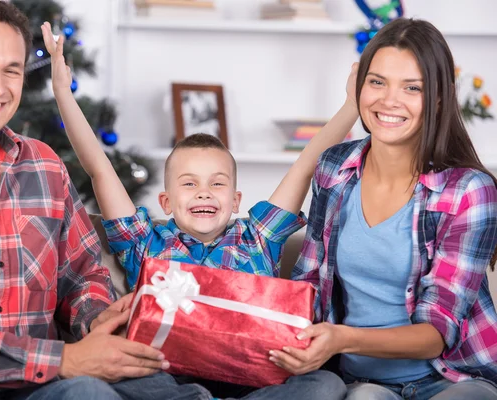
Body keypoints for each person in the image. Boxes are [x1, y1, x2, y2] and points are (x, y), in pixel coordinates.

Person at [0, 1, 217, 399]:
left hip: (39, 387)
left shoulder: (44, 168)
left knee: (98, 392)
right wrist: (65, 360)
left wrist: (96, 319)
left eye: (11, 70)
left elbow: (84, 274)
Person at [42, 20, 355, 399]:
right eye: (189, 183)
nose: (204, 193)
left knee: (327, 384)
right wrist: (63, 93)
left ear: (236, 201)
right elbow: (99, 170)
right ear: (167, 202)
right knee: (119, 376)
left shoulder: (258, 237)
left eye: (217, 183)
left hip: (250, 383)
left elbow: (307, 163)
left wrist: (352, 105)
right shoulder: (146, 243)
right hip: (170, 382)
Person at [275, 18, 497, 400]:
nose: (389, 100)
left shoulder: (469, 190)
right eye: (376, 82)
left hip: (455, 378)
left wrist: (340, 339)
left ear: (439, 98)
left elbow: (435, 334)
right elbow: (306, 285)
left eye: (412, 88)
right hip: (362, 383)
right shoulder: (334, 170)